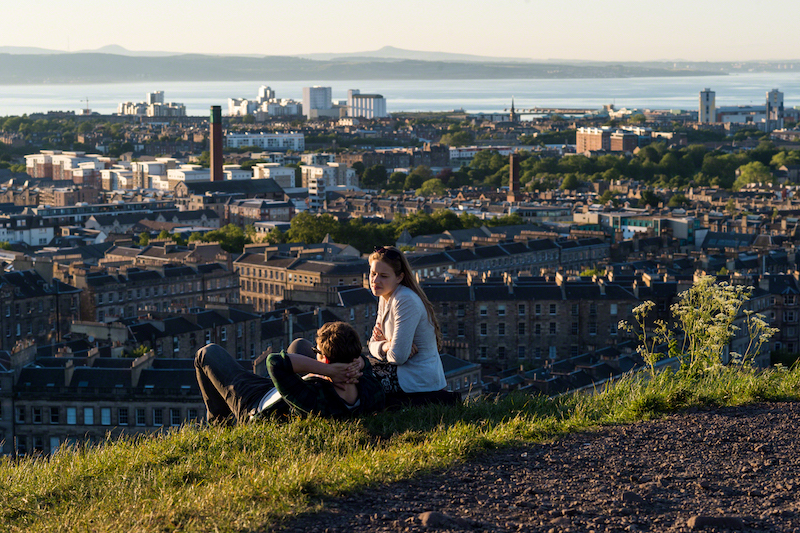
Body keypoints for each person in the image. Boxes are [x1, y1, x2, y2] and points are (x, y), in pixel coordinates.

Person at [194, 321, 384, 423]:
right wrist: (357, 364)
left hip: (257, 404)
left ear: (326, 361)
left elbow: (274, 362)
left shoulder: (315, 399)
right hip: (284, 393)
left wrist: (326, 370)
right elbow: (365, 363)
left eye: (318, 353)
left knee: (207, 353)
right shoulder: (369, 386)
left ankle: (221, 425)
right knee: (300, 344)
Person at [367, 246, 448, 397]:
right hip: (401, 374)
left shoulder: (405, 299)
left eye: (383, 276)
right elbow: (371, 345)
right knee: (352, 365)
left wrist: (388, 347)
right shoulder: (385, 296)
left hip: (417, 381)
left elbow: (398, 356)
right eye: (373, 274)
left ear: (399, 277)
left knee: (355, 375)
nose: (375, 280)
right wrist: (387, 345)